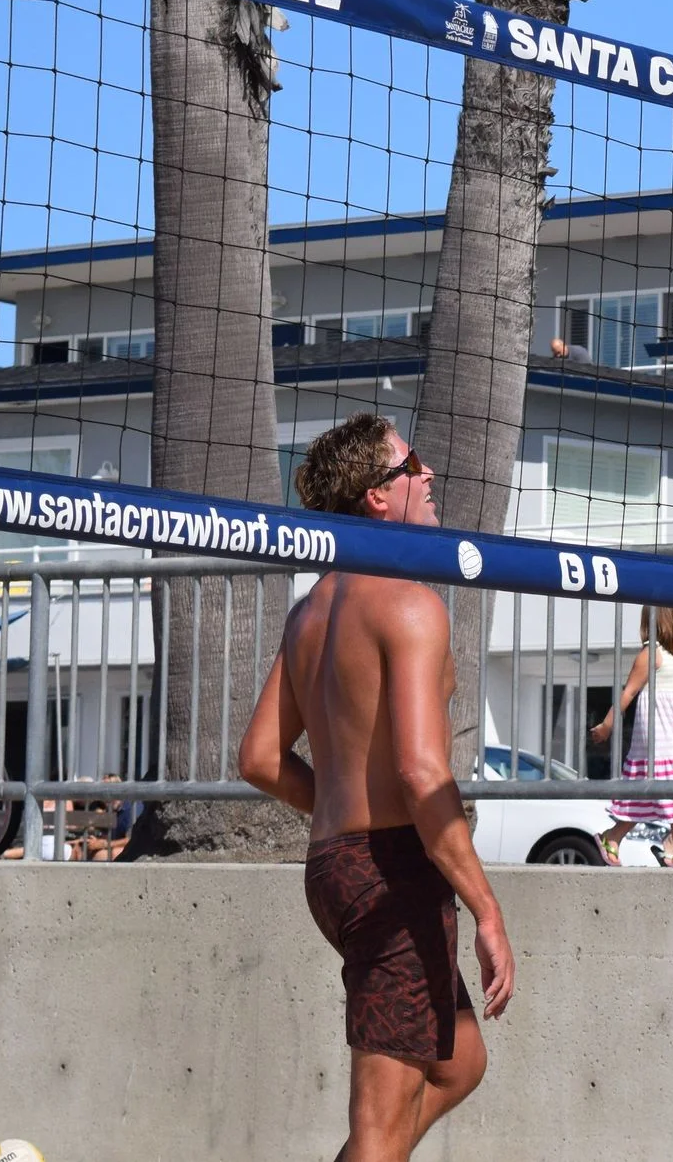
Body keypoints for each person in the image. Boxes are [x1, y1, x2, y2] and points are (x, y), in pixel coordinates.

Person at [239, 414, 516, 1162]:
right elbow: (423, 773)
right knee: (380, 1129)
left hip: (335, 868)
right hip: (391, 870)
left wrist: (341, 810)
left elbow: (260, 757)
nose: (429, 477)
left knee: (460, 1061)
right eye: (413, 464)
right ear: (376, 497)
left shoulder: (311, 611)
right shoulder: (407, 603)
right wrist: (487, 908)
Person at [591, 605, 673, 866]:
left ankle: (613, 837)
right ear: (668, 619)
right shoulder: (652, 654)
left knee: (649, 796)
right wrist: (607, 725)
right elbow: (628, 692)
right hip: (658, 738)